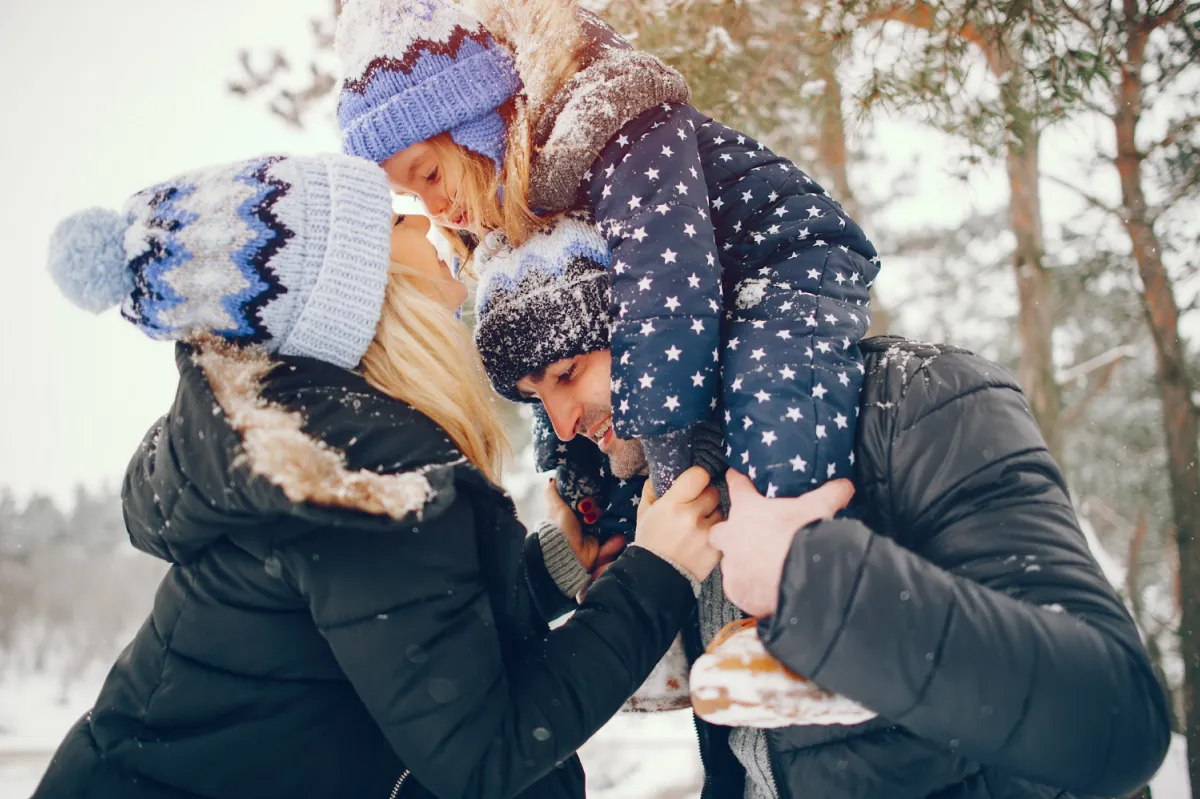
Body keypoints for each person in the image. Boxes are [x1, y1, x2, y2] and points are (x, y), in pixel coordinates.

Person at [34, 152, 722, 799]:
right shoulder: (361, 480)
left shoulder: (316, 454)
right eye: (394, 221)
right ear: (359, 288)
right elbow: (483, 752)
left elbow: (386, 644)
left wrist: (546, 575)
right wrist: (657, 572)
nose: (424, 220)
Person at [471, 246, 1174, 799]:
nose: (563, 423)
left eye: (568, 371)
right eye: (538, 398)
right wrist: (572, 566)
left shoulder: (918, 401)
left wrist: (812, 580)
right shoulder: (671, 503)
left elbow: (1117, 717)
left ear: (662, 320)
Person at [334, 0, 879, 500]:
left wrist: (670, 485)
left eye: (429, 174)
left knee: (774, 422)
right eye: (411, 195)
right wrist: (584, 490)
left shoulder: (611, 121)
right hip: (704, 297)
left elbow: (663, 299)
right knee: (615, 456)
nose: (432, 207)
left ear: (474, 124)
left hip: (781, 261)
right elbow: (557, 350)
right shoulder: (512, 206)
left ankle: (795, 550)